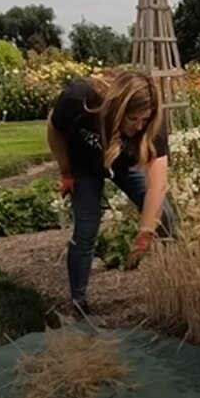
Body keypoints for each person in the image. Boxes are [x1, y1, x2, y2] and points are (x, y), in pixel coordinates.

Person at [46, 71, 176, 317]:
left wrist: (145, 233)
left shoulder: (152, 127)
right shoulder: (78, 101)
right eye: (133, 118)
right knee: (86, 228)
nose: (139, 126)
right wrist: (66, 172)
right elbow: (54, 129)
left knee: (166, 216)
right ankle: (79, 302)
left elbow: (157, 187)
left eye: (144, 119)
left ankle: (173, 287)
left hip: (124, 164)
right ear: (117, 109)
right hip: (85, 165)